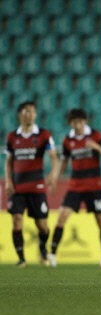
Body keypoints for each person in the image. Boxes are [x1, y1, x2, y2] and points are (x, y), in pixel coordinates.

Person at [49, 109, 101, 268]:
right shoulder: (67, 140)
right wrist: (55, 178)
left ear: (85, 121)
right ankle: (52, 255)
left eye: (79, 121)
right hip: (75, 186)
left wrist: (96, 147)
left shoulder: (96, 135)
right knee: (62, 217)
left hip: (94, 187)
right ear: (70, 123)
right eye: (74, 122)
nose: (77, 125)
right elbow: (63, 162)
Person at [4, 101, 58, 267]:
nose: (30, 114)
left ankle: (42, 248)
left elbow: (53, 156)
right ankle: (21, 258)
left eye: (33, 112)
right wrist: (8, 181)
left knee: (42, 226)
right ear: (20, 114)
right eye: (27, 111)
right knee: (17, 219)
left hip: (37, 187)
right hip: (18, 187)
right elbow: (8, 162)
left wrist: (53, 174)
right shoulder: (12, 137)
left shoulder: (43, 134)